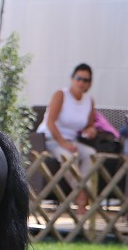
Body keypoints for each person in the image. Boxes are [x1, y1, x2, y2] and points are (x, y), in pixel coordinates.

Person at [36, 63, 98, 212]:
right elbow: (50, 122)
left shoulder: (89, 101)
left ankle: (85, 192)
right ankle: (82, 197)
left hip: (72, 141)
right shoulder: (60, 95)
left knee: (91, 154)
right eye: (79, 78)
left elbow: (90, 125)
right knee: (68, 157)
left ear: (90, 83)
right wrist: (63, 143)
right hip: (50, 140)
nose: (81, 82)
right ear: (72, 78)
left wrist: (91, 131)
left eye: (86, 80)